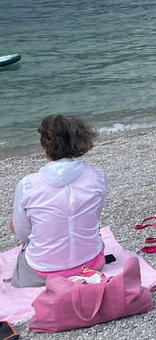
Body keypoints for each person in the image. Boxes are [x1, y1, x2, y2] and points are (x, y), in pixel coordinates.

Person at [10, 115, 107, 288]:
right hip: (91, 264)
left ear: (45, 149)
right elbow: (94, 217)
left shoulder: (27, 185)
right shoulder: (97, 176)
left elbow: (24, 235)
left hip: (41, 272)